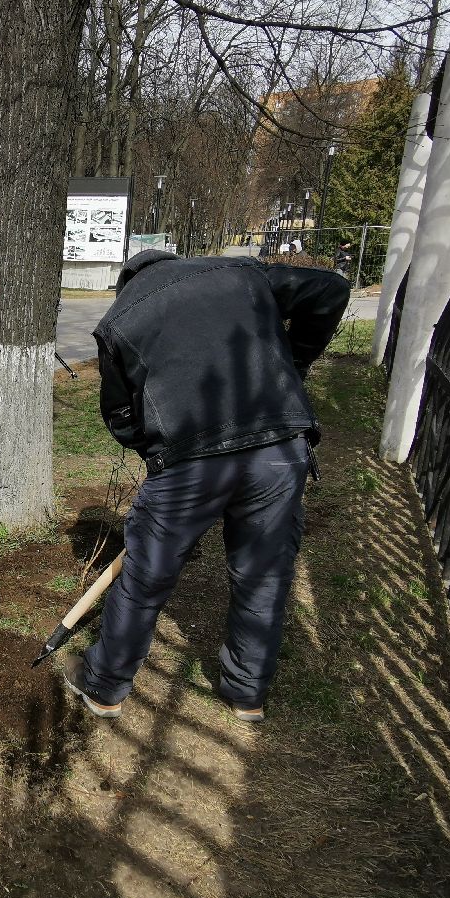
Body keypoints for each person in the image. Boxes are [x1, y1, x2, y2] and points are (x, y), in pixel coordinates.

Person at [63, 250, 350, 722]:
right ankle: (247, 695)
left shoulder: (119, 319)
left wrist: (153, 452)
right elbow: (332, 291)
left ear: (126, 282)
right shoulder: (239, 272)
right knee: (263, 573)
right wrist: (294, 367)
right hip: (277, 447)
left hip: (190, 460)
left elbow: (119, 414)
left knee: (145, 576)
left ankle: (105, 688)